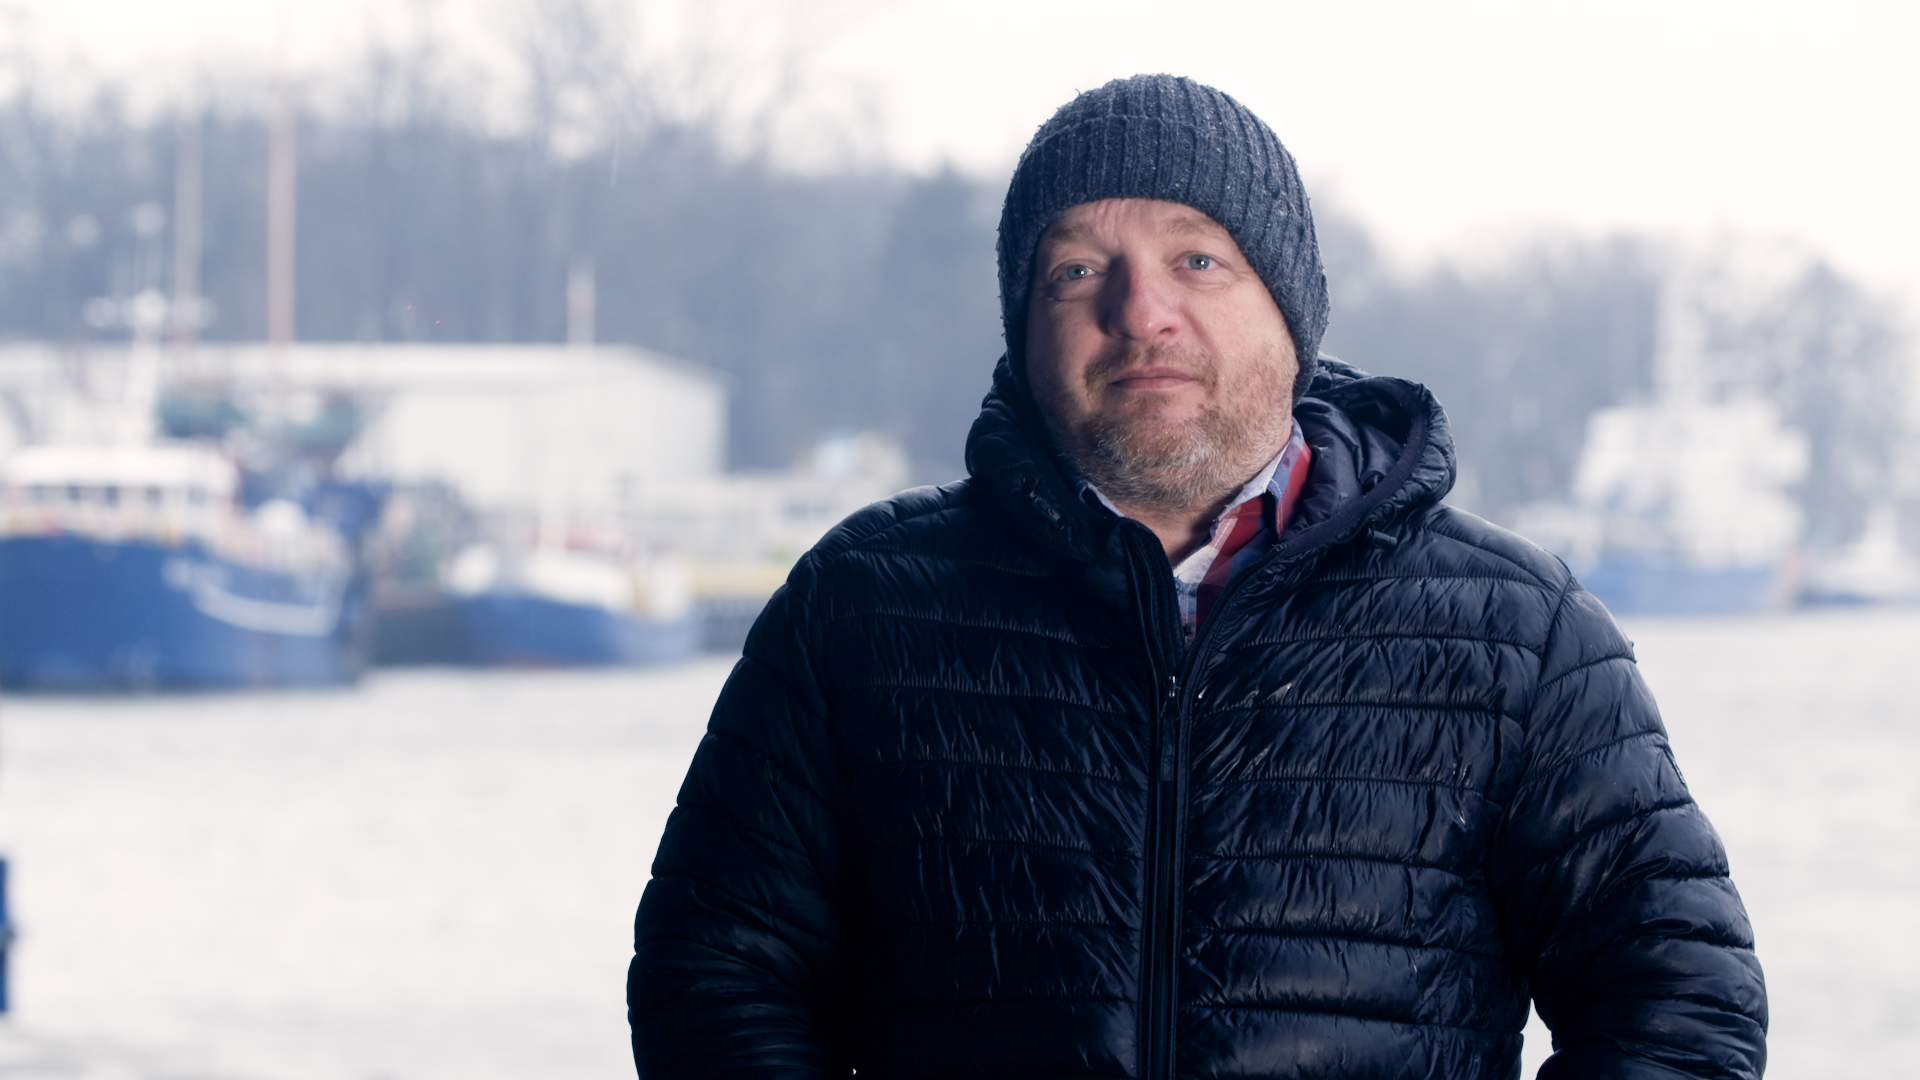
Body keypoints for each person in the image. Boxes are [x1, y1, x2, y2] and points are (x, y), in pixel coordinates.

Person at [628, 74, 1767, 1079]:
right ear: (1026, 327)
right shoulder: (860, 609)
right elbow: (714, 974)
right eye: (1078, 269)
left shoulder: (1521, 636)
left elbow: (1680, 1002)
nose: (1140, 312)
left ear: (1288, 307)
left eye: (1197, 260)